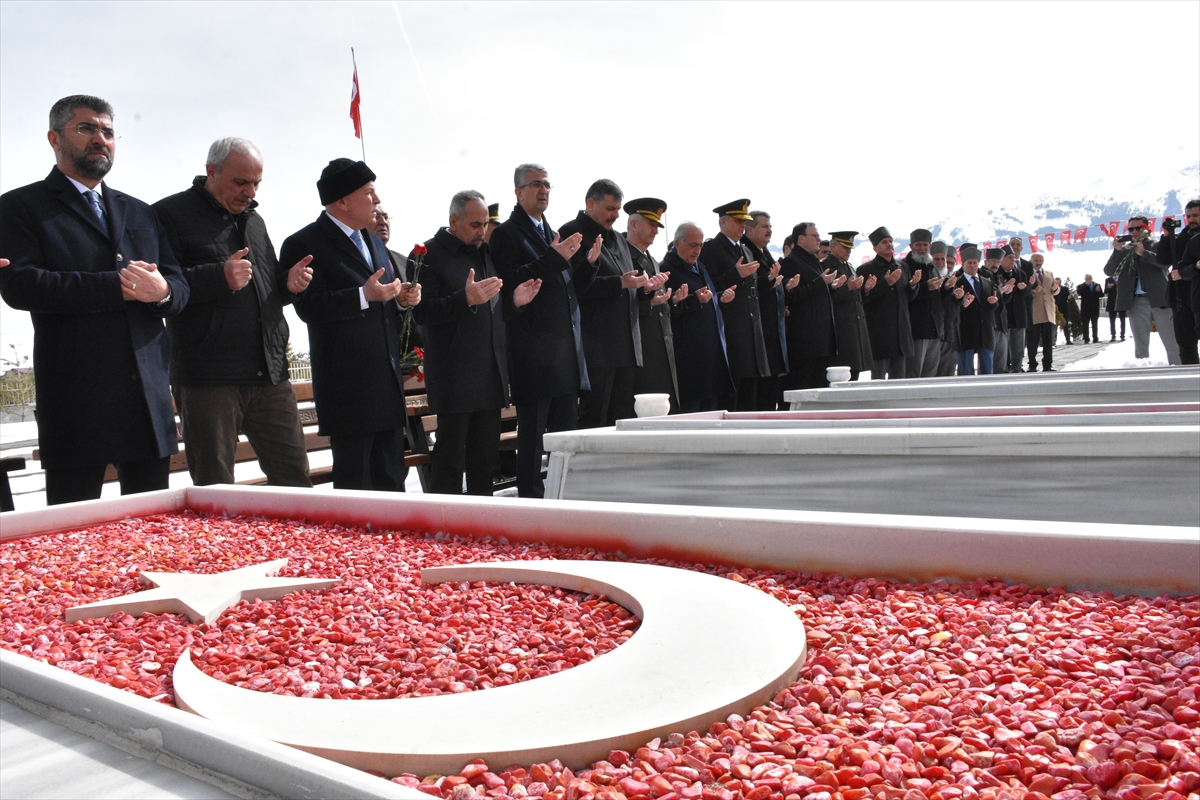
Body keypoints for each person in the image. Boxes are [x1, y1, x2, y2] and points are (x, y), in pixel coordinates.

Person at [0, 94, 189, 505]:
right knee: (73, 541)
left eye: (108, 131)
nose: (100, 139)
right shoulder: (19, 207)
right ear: (54, 137)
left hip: (146, 398)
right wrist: (117, 286)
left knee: (153, 534)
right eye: (87, 128)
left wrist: (164, 293)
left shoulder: (140, 212)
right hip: (77, 399)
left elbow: (177, 283)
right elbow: (21, 285)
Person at [152, 137, 313, 488]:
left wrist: (288, 284)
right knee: (216, 490)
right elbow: (162, 288)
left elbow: (264, 287)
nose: (250, 192)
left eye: (256, 183)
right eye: (241, 182)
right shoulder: (168, 214)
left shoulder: (255, 221)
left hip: (270, 376)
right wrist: (219, 277)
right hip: (208, 379)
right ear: (211, 171)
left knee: (296, 481)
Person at [283, 158, 421, 492]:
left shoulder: (374, 242)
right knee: (356, 490)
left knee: (392, 485)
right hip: (348, 391)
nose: (376, 201)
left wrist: (401, 298)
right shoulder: (303, 244)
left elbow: (382, 296)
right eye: (369, 193)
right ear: (342, 201)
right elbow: (309, 308)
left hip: (387, 389)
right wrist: (362, 295)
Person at [412, 190, 540, 496]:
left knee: (485, 461)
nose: (482, 231)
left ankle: (482, 529)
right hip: (454, 376)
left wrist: (515, 303)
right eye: (474, 224)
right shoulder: (426, 255)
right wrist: (464, 299)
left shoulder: (484, 253)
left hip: (489, 374)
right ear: (453, 221)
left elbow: (490, 310)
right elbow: (421, 312)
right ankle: (445, 528)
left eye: (485, 224)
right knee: (451, 461)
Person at [488, 163, 589, 498]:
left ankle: (566, 492)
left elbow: (567, 286)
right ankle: (530, 497)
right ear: (518, 192)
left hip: (564, 352)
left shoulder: (551, 231)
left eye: (547, 184)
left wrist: (588, 263)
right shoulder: (506, 234)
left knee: (566, 434)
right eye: (535, 184)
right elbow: (511, 281)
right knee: (531, 434)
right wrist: (553, 257)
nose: (543, 190)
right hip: (532, 351)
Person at [558, 179, 654, 428]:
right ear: (591, 203)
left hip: (625, 346)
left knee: (621, 417)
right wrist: (618, 283)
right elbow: (574, 289)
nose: (616, 215)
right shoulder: (572, 233)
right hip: (596, 347)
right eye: (611, 208)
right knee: (595, 417)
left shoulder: (618, 240)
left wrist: (645, 289)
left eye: (618, 209)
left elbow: (627, 284)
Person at [700, 200, 767, 409]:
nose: (742, 226)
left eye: (744, 221)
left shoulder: (746, 251)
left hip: (751, 334)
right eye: (738, 221)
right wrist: (735, 274)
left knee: (751, 395)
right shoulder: (712, 248)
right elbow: (709, 285)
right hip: (731, 330)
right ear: (723, 222)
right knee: (733, 396)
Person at [662, 222, 732, 412]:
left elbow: (707, 299)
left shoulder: (699, 267)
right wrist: (693, 301)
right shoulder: (666, 270)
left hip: (709, 358)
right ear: (677, 244)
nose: (698, 250)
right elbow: (667, 310)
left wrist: (721, 300)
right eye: (693, 245)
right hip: (689, 362)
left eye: (700, 245)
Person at [623, 198, 680, 411]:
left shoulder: (653, 261)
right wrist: (649, 302)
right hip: (642, 355)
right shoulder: (624, 259)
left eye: (658, 225)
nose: (656, 230)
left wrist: (672, 302)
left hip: (662, 351)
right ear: (634, 224)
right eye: (651, 224)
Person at [1103, 216, 1180, 363]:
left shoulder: (1156, 245)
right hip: (1136, 303)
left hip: (1160, 300)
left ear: (1147, 228)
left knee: (1172, 342)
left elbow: (1165, 264)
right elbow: (1109, 271)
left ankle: (1178, 374)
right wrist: (1117, 251)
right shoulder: (1125, 250)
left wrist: (1143, 253)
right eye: (1131, 228)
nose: (1134, 231)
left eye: (1138, 228)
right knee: (1141, 347)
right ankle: (1143, 375)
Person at [781, 222, 842, 389]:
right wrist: (821, 282)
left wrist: (831, 286)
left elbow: (815, 292)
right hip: (805, 343)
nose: (818, 239)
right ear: (801, 238)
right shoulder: (791, 262)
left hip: (821, 341)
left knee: (819, 387)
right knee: (802, 387)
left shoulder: (812, 260)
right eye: (814, 236)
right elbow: (793, 296)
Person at [858, 226, 919, 379]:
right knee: (878, 378)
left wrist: (913, 286)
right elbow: (863, 299)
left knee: (898, 379)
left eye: (891, 241)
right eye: (885, 242)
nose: (889, 244)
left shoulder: (903, 266)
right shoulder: (866, 269)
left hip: (901, 333)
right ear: (875, 248)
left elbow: (908, 299)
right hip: (880, 333)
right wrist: (886, 283)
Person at [742, 211, 787, 409]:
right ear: (749, 229)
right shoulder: (745, 251)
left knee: (770, 389)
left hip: (771, 328)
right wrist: (769, 279)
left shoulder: (763, 251)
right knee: (759, 394)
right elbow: (749, 287)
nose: (769, 230)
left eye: (770, 226)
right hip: (758, 330)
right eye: (765, 226)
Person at [826, 231, 874, 381]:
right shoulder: (827, 266)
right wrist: (848, 288)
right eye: (845, 246)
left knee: (854, 376)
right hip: (841, 333)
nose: (849, 250)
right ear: (833, 246)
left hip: (854, 331)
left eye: (850, 247)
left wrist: (865, 289)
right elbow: (826, 299)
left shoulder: (849, 266)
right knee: (841, 379)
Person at [1159, 200, 1200, 365]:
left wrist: (1184, 273)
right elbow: (1163, 259)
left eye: (1196, 215)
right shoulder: (1181, 237)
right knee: (1185, 345)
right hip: (1182, 299)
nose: (1192, 219)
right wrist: (1167, 237)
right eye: (1189, 216)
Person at [954, 244, 1001, 375]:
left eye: (975, 263)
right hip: (965, 329)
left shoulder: (987, 282)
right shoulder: (957, 282)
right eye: (969, 262)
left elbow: (993, 303)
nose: (973, 265)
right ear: (963, 264)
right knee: (965, 368)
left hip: (985, 330)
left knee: (987, 368)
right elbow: (952, 306)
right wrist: (961, 302)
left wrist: (993, 303)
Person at [904, 228, 944, 378]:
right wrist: (925, 287)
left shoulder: (931, 266)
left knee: (930, 374)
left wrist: (948, 289)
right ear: (911, 246)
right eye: (918, 245)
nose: (922, 248)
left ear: (930, 246)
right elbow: (905, 294)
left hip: (934, 327)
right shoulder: (904, 266)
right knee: (914, 373)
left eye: (925, 245)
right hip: (916, 329)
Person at [936, 242, 967, 376]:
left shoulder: (952, 279)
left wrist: (961, 301)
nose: (948, 265)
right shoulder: (935, 278)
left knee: (949, 372)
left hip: (952, 333)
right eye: (946, 261)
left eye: (951, 263)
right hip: (938, 335)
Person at [989, 247, 1021, 372]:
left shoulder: (1000, 277)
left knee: (1001, 361)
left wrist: (1007, 293)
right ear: (986, 262)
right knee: (990, 362)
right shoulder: (983, 275)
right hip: (990, 324)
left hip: (1001, 323)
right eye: (992, 261)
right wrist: (999, 292)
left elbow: (1002, 302)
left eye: (997, 262)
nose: (995, 265)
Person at [1027, 253, 1058, 372]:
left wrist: (1056, 289)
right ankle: (1032, 365)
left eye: (1040, 260)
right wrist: (1033, 290)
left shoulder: (1049, 274)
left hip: (1048, 312)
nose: (1038, 262)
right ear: (1031, 261)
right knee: (1032, 342)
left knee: (1048, 342)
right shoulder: (1028, 274)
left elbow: (1054, 289)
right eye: (1036, 261)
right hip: (1035, 312)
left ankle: (1048, 365)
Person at [1076, 273, 1104, 345]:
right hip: (1085, 310)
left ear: (1092, 279)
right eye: (1086, 279)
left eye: (1089, 279)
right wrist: (1086, 285)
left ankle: (1095, 338)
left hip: (1094, 309)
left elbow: (1101, 295)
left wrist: (1099, 291)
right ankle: (1086, 339)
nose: (1088, 280)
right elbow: (1079, 292)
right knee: (1085, 325)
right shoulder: (1081, 286)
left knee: (1095, 324)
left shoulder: (1097, 285)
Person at [1104, 275, 1125, 341]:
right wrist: (1108, 287)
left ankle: (1122, 335)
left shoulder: (1123, 278)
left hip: (1121, 302)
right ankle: (1113, 335)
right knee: (1112, 320)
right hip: (1112, 303)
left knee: (1123, 320)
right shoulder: (1108, 280)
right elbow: (1105, 291)